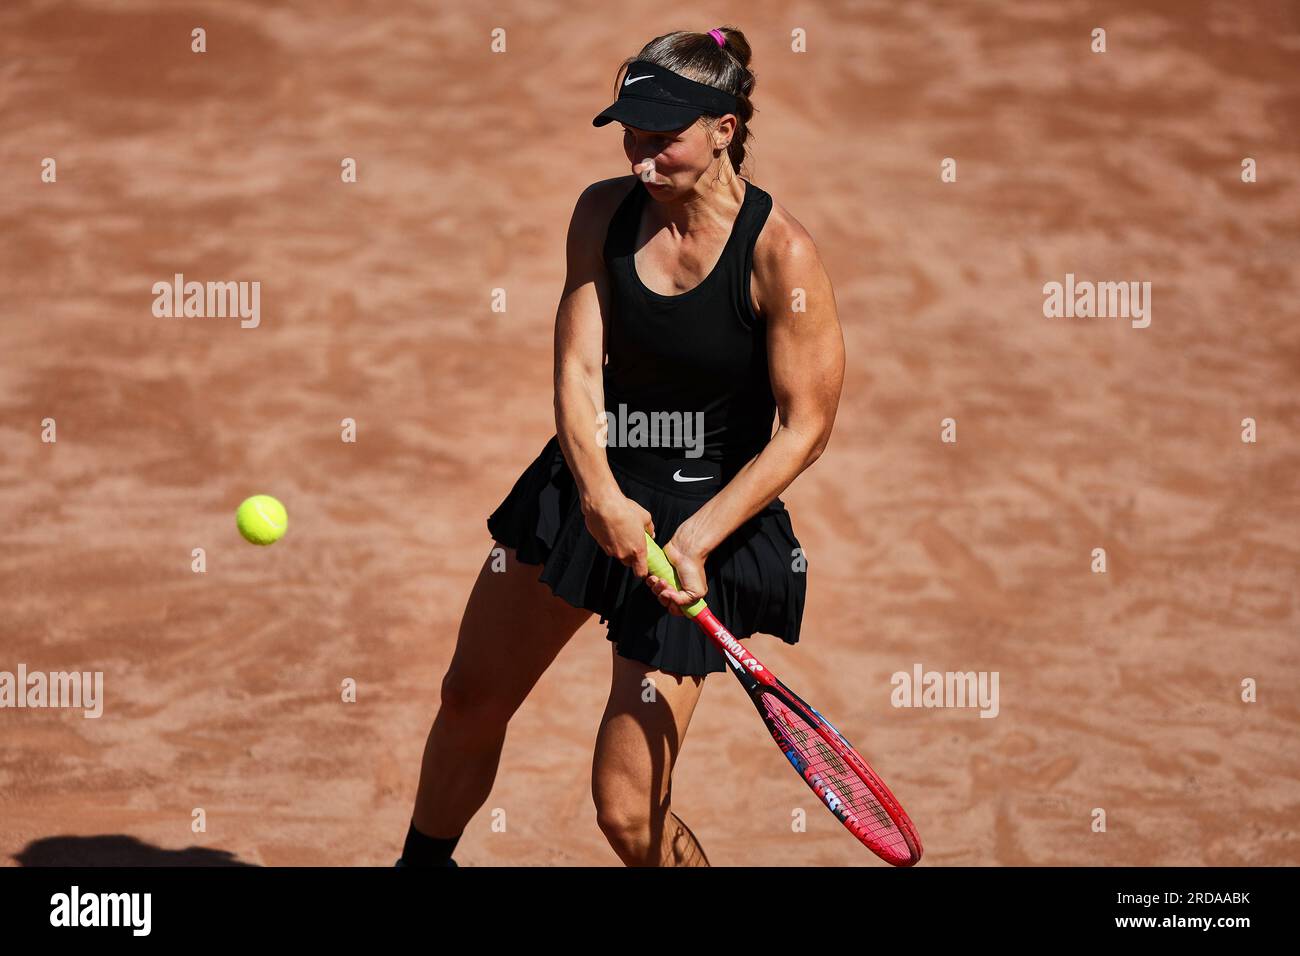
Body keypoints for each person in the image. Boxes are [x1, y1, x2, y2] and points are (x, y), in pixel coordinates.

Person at [398, 25, 845, 867]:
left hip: (703, 519)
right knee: (469, 697)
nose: (642, 159)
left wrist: (697, 537)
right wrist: (601, 496)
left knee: (628, 814)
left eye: (662, 139)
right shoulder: (602, 214)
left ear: (724, 129)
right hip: (587, 485)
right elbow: (576, 368)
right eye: (631, 135)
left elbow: (806, 427)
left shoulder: (782, 256)